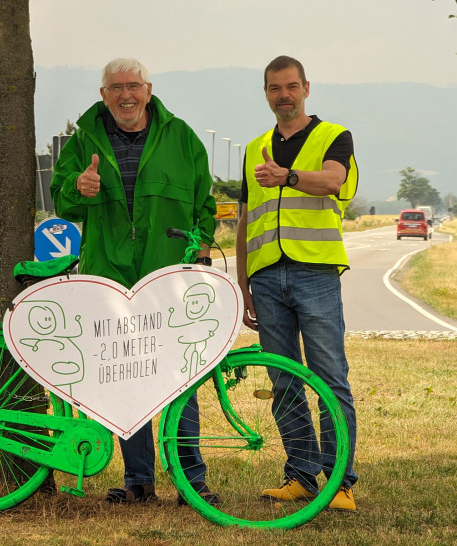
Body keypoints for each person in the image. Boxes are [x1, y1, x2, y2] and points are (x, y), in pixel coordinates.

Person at [50, 58, 218, 505]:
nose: (126, 95)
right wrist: (77, 189)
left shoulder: (181, 137)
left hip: (167, 276)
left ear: (148, 90)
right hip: (110, 278)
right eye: (116, 87)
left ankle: (190, 482)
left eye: (134, 86)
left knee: (181, 376)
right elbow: (61, 201)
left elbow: (205, 202)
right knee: (126, 375)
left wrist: (200, 247)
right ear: (103, 94)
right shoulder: (84, 138)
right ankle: (139, 481)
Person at [235, 55, 358, 511]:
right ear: (265, 93)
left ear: (306, 87)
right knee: (284, 380)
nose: (283, 95)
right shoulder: (253, 148)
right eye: (274, 88)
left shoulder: (333, 136)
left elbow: (333, 181)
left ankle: (340, 482)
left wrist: (287, 176)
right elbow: (247, 219)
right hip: (266, 279)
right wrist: (244, 281)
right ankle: (303, 476)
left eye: (290, 86)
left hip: (316, 271)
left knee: (330, 377)